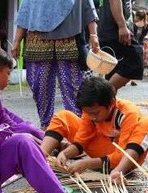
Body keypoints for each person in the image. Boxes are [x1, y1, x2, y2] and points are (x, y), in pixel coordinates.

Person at [40, 77, 148, 184]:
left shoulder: (127, 113)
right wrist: (64, 154)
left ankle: (117, 172)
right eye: (88, 113)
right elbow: (81, 142)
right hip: (101, 151)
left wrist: (87, 163)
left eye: (95, 113)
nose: (92, 117)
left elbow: (121, 154)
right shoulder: (90, 112)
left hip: (124, 159)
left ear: (111, 103)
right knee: (63, 117)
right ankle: (38, 158)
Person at [11, 0, 98, 128]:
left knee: (72, 86)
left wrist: (94, 34)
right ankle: (47, 127)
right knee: (39, 84)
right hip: (37, 37)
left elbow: (87, 6)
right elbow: (25, 11)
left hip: (68, 36)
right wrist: (17, 41)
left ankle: (78, 128)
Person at [0, 48, 44, 143]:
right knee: (25, 138)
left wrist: (17, 127)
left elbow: (3, 114)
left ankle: (52, 142)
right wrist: (15, 131)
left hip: (1, 130)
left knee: (27, 127)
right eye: (8, 73)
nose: (9, 79)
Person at [96, 0, 145, 90]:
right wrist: (122, 26)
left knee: (113, 73)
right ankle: (101, 97)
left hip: (108, 31)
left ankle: (106, 101)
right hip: (114, 31)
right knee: (135, 64)